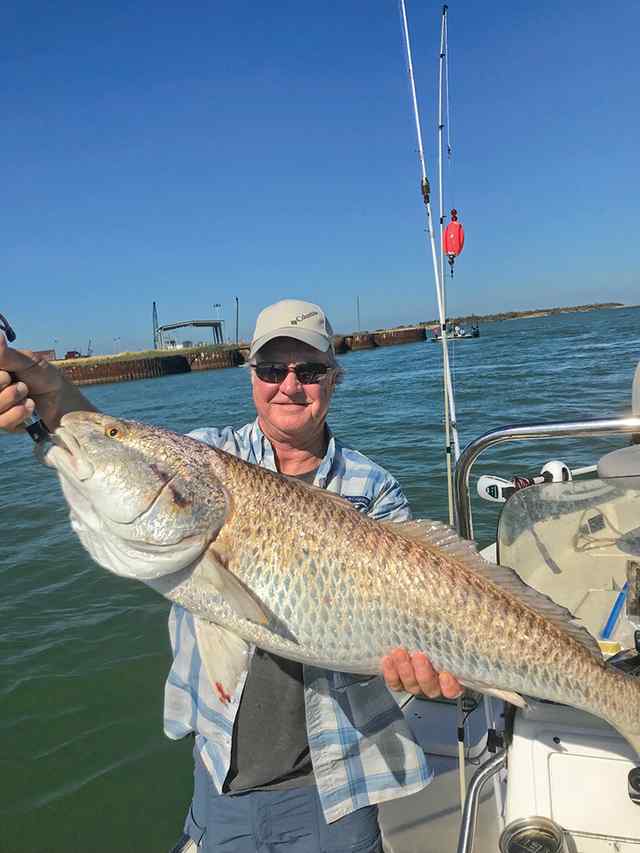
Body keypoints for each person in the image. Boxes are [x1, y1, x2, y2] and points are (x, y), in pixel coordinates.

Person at [0, 299, 462, 853]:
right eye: (272, 370)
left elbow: (416, 614)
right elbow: (105, 439)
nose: (289, 385)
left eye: (309, 371)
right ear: (252, 378)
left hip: (337, 782)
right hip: (220, 774)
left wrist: (420, 671)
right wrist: (45, 393)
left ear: (334, 380)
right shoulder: (208, 457)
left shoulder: (375, 489)